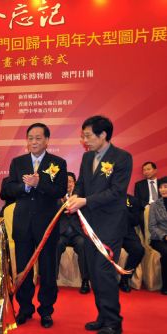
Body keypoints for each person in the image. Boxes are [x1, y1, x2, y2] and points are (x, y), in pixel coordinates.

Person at [68, 115, 132, 334]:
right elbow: (81, 184)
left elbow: (116, 191)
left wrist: (85, 201)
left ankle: (114, 322)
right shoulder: (88, 158)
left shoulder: (122, 158)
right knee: (94, 273)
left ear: (103, 134)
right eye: (83, 136)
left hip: (111, 223)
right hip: (90, 223)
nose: (85, 140)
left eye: (88, 135)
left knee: (103, 270)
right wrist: (74, 197)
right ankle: (103, 317)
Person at [2, 123, 67, 328]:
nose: (34, 142)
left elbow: (60, 190)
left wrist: (40, 184)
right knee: (23, 268)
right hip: (23, 224)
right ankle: (25, 308)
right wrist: (25, 186)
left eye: (38, 138)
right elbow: (7, 190)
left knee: (47, 269)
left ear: (47, 140)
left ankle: (46, 310)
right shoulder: (18, 162)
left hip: (47, 224)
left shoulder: (58, 162)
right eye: (31, 138)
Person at [56, 172, 90, 294]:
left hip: (77, 233)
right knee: (56, 245)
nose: (68, 184)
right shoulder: (57, 196)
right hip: (62, 233)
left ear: (74, 183)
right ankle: (52, 281)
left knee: (82, 245)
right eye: (65, 181)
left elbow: (87, 212)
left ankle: (85, 281)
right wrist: (61, 202)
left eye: (70, 181)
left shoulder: (81, 197)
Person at [118, 194, 145, 292]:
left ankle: (124, 279)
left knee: (139, 250)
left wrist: (123, 208)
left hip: (127, 232)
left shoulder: (133, 200)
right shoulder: (105, 198)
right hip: (110, 232)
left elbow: (135, 221)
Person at [148, 176, 167, 295]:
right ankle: (165, 285)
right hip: (158, 239)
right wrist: (165, 236)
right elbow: (152, 226)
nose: (163, 190)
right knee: (166, 252)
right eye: (161, 187)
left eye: (166, 187)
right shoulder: (155, 205)